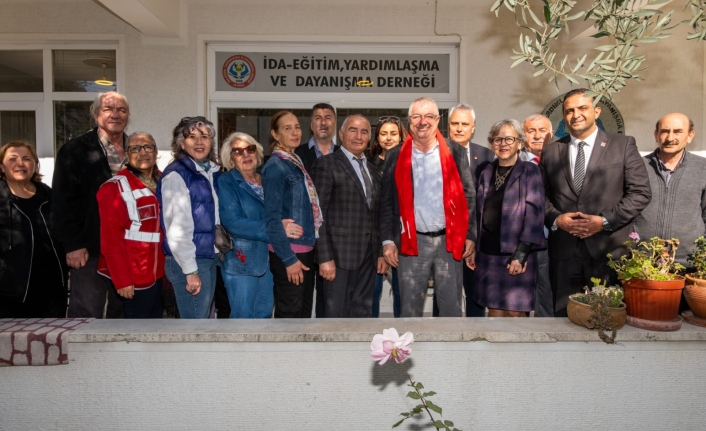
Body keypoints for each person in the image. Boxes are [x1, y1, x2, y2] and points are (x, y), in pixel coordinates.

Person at [539, 88, 651, 317]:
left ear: (597, 111)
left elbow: (640, 193)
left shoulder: (622, 145)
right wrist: (555, 218)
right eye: (569, 110)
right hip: (564, 254)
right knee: (564, 319)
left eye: (582, 108)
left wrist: (604, 221)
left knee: (608, 320)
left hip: (608, 252)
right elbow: (540, 196)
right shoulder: (551, 152)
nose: (575, 114)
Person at [379, 97, 476, 317]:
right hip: (411, 242)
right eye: (417, 116)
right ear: (409, 120)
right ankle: (411, 352)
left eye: (429, 116)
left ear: (437, 119)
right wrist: (387, 241)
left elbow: (469, 195)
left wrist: (470, 235)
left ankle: (448, 353)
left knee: (451, 308)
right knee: (409, 310)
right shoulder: (395, 155)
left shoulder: (456, 152)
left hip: (449, 241)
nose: (423, 122)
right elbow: (386, 202)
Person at [51, 91, 129, 318]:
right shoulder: (75, 150)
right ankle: (80, 356)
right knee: (85, 315)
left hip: (127, 249)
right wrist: (72, 244)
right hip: (90, 249)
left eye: (121, 110)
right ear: (96, 115)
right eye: (108, 109)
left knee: (124, 314)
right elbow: (63, 201)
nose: (115, 115)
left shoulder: (136, 149)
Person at [218, 132, 303, 318]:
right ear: (231, 159)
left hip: (272, 259)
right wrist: (276, 229)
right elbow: (233, 222)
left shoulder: (269, 177)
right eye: (238, 152)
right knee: (243, 319)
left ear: (257, 152)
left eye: (250, 149)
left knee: (264, 318)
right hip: (243, 263)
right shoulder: (227, 182)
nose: (246, 155)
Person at [311, 115, 386, 318]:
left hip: (368, 259)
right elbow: (317, 216)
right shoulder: (326, 165)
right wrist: (324, 258)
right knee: (335, 318)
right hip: (338, 259)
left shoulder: (374, 171)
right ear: (342, 134)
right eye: (353, 130)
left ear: (370, 138)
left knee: (362, 317)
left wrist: (379, 252)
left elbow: (376, 216)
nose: (358, 136)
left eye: (364, 132)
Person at [473, 120, 546, 317]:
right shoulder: (486, 172)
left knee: (515, 313)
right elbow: (478, 213)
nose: (503, 144)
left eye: (509, 139)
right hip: (488, 253)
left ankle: (519, 350)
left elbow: (535, 214)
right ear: (491, 144)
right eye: (498, 139)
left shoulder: (530, 171)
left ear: (520, 143)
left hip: (515, 254)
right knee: (494, 312)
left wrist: (521, 254)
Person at [157, 117, 220, 319]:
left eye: (204, 136)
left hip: (207, 257)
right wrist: (190, 270)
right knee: (194, 326)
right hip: (189, 262)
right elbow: (176, 230)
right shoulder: (177, 175)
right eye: (192, 137)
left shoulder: (209, 172)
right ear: (181, 144)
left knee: (201, 321)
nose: (199, 142)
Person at [96, 132, 164, 319]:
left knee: (157, 331)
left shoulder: (165, 180)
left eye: (148, 146)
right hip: (134, 276)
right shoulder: (114, 188)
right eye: (135, 148)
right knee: (137, 336)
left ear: (156, 151)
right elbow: (110, 240)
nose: (142, 152)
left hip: (160, 275)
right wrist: (122, 280)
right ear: (127, 154)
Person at [0, 141, 67, 318]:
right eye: (12, 159)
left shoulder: (49, 196)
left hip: (52, 290)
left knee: (50, 342)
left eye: (27, 158)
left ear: (35, 165)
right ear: (2, 166)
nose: (20, 163)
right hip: (10, 293)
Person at [263, 111, 319, 318]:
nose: (295, 132)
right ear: (275, 135)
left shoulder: (294, 162)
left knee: (302, 314)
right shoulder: (276, 166)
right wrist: (288, 259)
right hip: (289, 252)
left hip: (304, 248)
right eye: (287, 128)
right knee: (289, 317)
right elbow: (271, 218)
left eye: (297, 127)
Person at [634, 113, 706, 270]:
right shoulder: (637, 167)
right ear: (656, 135)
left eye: (678, 131)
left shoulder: (703, 168)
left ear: (690, 135)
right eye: (665, 131)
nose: (670, 137)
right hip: (641, 263)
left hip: (690, 265)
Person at [445, 103, 494, 317]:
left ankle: (476, 340)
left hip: (478, 238)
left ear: (473, 127)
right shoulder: (435, 153)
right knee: (445, 294)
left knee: (475, 293)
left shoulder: (486, 156)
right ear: (448, 126)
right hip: (444, 238)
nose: (459, 128)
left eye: (464, 124)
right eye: (455, 123)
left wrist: (473, 236)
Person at [295, 103, 340, 318]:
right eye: (318, 118)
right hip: (302, 236)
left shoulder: (344, 154)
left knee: (328, 298)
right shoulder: (296, 154)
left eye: (328, 117)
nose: (323, 122)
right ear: (311, 124)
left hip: (332, 239)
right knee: (300, 298)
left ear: (334, 123)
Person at [368, 116, 407, 317]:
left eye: (393, 133)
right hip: (373, 239)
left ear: (401, 136)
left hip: (399, 238)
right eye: (383, 133)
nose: (388, 138)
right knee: (372, 292)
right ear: (377, 138)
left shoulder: (408, 162)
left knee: (402, 292)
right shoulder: (367, 164)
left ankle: (402, 338)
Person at [522, 114, 554, 317]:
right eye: (531, 131)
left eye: (542, 130)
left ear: (551, 134)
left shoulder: (562, 159)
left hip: (553, 239)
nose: (537, 135)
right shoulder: (513, 161)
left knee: (547, 293)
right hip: (520, 241)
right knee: (518, 297)